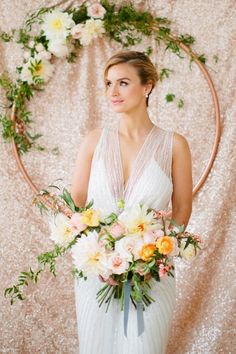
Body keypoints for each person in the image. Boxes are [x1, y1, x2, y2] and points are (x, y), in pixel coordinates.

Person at [70, 50, 192, 354]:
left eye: (123, 82)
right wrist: (98, 252)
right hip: (96, 275)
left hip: (151, 273)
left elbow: (182, 209)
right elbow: (77, 204)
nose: (112, 92)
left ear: (147, 85)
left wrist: (150, 256)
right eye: (108, 83)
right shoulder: (94, 141)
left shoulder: (174, 145)